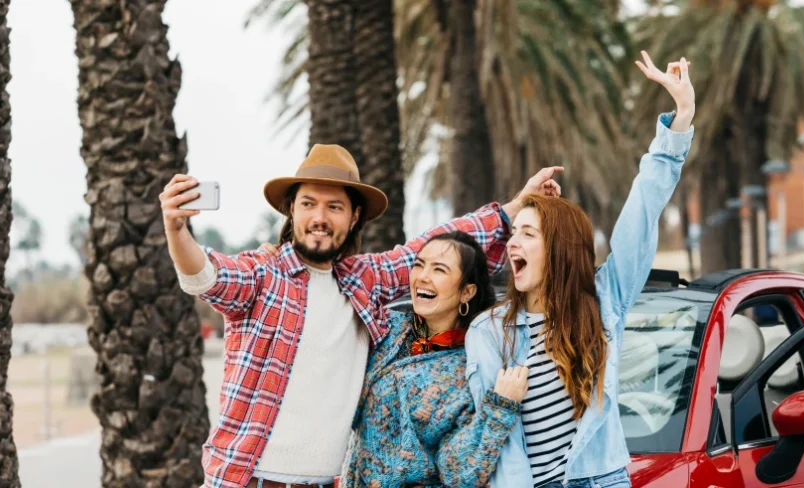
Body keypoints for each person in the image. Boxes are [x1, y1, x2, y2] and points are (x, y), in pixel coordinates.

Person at [158, 143, 561, 488]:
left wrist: (517, 205)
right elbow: (208, 277)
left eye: (334, 206)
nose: (320, 216)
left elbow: (443, 245)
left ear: (353, 218)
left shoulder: (364, 280)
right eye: (308, 204)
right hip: (249, 480)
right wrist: (176, 230)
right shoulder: (262, 275)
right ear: (291, 211)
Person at [464, 52, 695, 488]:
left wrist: (682, 117)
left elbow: (641, 213)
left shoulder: (603, 301)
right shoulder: (489, 332)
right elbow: (499, 447)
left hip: (603, 478)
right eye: (514, 234)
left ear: (561, 250)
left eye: (529, 235)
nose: (513, 242)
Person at [261, 231, 529, 487]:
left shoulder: (470, 365)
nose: (423, 277)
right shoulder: (386, 327)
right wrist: (284, 270)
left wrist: (500, 409)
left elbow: (458, 473)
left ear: (467, 292)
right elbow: (327, 305)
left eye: (439, 269)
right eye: (420, 265)